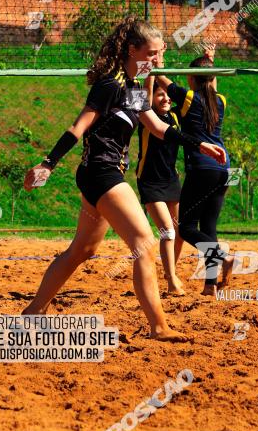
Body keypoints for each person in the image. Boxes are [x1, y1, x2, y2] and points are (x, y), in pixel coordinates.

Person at [22, 17, 226, 340]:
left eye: (161, 53)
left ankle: (32, 312)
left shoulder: (133, 88)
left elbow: (158, 128)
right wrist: (48, 163)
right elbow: (78, 128)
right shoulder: (111, 84)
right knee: (143, 242)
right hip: (100, 173)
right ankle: (159, 326)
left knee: (82, 250)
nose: (159, 60)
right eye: (154, 53)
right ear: (133, 50)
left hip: (105, 174)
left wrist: (198, 142)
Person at [155, 46, 234, 296]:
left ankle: (220, 255)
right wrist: (210, 61)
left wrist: (157, 61)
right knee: (209, 226)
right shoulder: (220, 100)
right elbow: (211, 81)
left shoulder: (189, 98)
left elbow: (161, 78)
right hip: (224, 168)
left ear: (191, 77)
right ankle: (210, 286)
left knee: (186, 227)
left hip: (203, 166)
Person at [136, 82, 185, 296]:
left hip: (171, 180)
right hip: (149, 181)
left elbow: (195, 94)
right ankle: (172, 280)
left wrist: (160, 62)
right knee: (167, 230)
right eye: (160, 95)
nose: (166, 99)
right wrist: (151, 71)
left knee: (179, 230)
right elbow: (144, 94)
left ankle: (169, 272)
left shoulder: (174, 117)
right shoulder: (144, 115)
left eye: (168, 96)